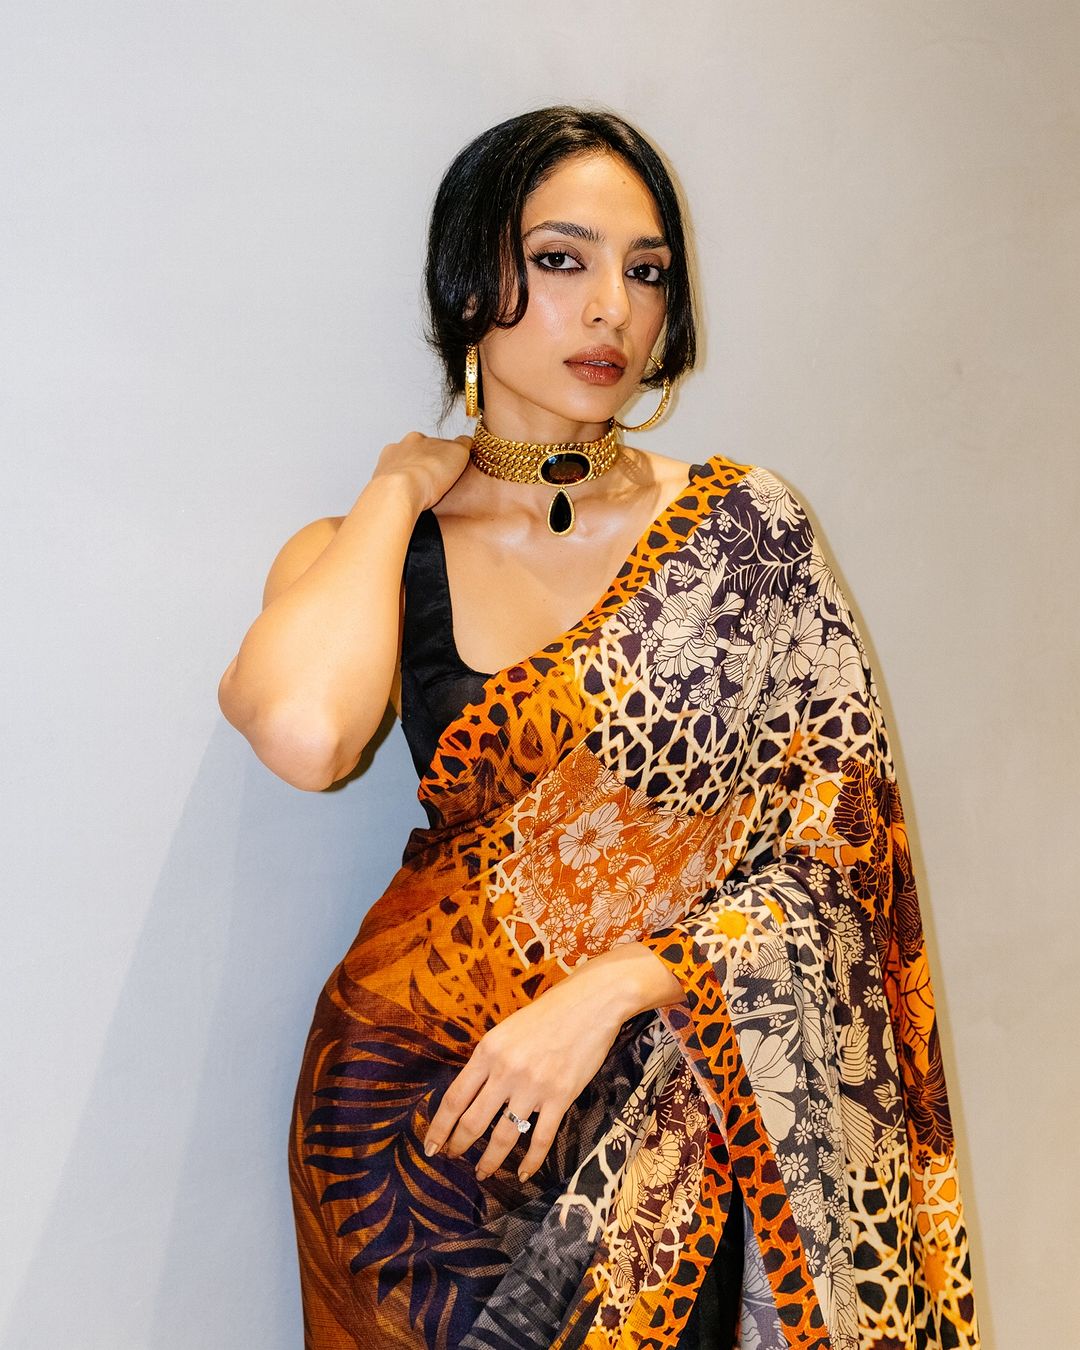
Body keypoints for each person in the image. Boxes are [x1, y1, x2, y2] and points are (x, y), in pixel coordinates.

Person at [218, 106, 980, 1350]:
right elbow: (306, 735)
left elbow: (844, 858)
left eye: (647, 271)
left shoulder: (750, 537)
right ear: (471, 281)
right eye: (561, 260)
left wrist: (620, 987)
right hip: (420, 1151)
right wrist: (399, 487)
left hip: (686, 1119)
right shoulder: (375, 548)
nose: (613, 309)